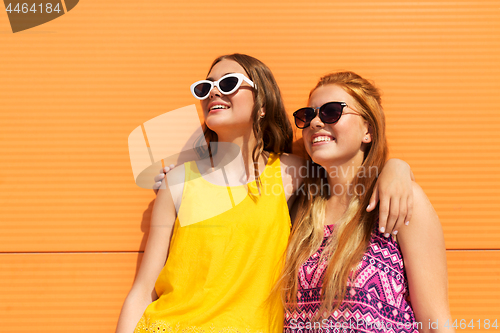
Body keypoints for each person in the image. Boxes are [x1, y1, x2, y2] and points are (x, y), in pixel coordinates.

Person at [116, 54, 415, 333]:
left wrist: (397, 168)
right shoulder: (178, 182)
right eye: (206, 87)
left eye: (229, 83)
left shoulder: (293, 173)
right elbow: (143, 290)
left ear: (262, 104)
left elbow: (351, 166)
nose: (214, 93)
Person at [280, 71, 453, 332]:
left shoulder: (400, 202)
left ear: (368, 130)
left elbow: (435, 324)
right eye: (308, 115)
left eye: (331, 112)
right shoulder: (298, 210)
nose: (315, 123)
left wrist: (397, 166)